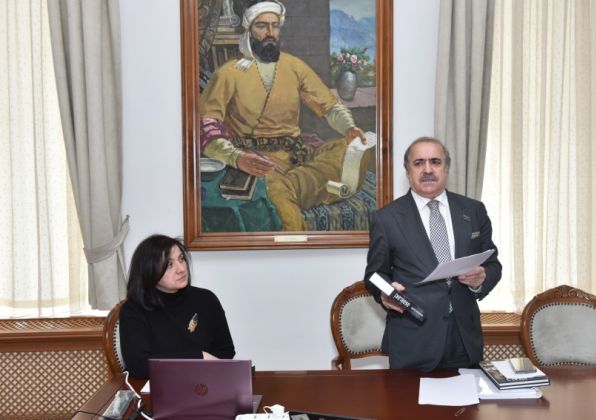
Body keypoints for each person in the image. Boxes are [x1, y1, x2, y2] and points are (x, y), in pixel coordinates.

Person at [199, 0, 367, 231]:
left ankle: (292, 185)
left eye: (275, 26)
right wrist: (236, 158)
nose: (270, 33)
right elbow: (207, 128)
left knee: (354, 149)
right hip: (258, 163)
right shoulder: (228, 73)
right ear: (249, 29)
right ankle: (293, 189)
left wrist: (349, 128)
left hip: (298, 155)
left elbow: (329, 106)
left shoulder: (294, 66)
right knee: (276, 191)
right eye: (262, 26)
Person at [364, 137, 502, 371]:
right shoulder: (386, 219)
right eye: (419, 163)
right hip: (413, 341)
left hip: (464, 341)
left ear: (446, 168)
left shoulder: (473, 211)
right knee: (408, 398)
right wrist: (386, 293)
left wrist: (482, 279)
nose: (427, 170)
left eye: (435, 162)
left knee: (466, 397)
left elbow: (493, 264)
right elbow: (374, 276)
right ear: (408, 171)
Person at [119, 234, 235, 379]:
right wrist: (198, 357)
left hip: (205, 383)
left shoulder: (206, 299)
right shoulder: (133, 310)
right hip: (158, 388)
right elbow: (139, 366)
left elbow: (226, 351)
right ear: (149, 270)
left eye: (181, 259)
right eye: (169, 265)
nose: (181, 269)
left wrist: (200, 371)